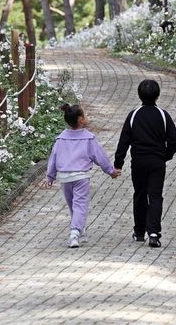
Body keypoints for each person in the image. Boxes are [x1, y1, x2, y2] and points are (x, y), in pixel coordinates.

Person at [44, 103, 120, 248]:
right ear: (81, 120)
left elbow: (53, 157)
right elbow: (100, 156)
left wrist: (50, 176)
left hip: (65, 178)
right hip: (81, 177)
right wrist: (110, 171)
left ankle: (80, 231)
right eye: (85, 115)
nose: (87, 117)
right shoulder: (88, 138)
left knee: (73, 205)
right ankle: (74, 233)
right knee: (80, 205)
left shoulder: (61, 138)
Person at [114, 79, 176, 248]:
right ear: (158, 96)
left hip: (139, 162)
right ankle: (154, 233)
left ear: (139, 95)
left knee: (140, 194)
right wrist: (166, 156)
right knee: (155, 196)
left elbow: (124, 140)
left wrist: (118, 163)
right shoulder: (163, 115)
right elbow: (173, 140)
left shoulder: (134, 115)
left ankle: (139, 231)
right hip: (157, 162)